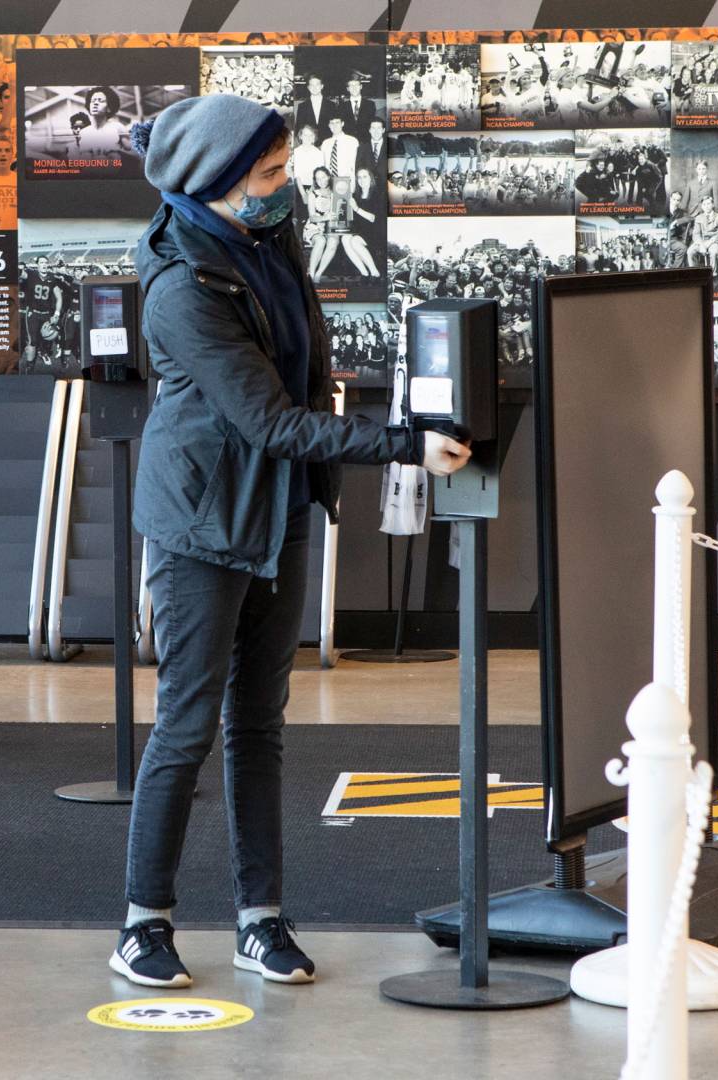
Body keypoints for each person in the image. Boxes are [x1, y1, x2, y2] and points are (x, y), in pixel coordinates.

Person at [112, 92, 471, 989]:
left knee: (260, 727)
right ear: (219, 181)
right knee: (186, 726)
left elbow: (303, 369)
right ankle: (141, 925)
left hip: (275, 512)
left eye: (283, 168)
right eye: (270, 173)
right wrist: (404, 446)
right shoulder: (180, 287)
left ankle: (259, 918)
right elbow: (271, 421)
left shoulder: (266, 238)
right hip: (203, 523)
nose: (287, 185)